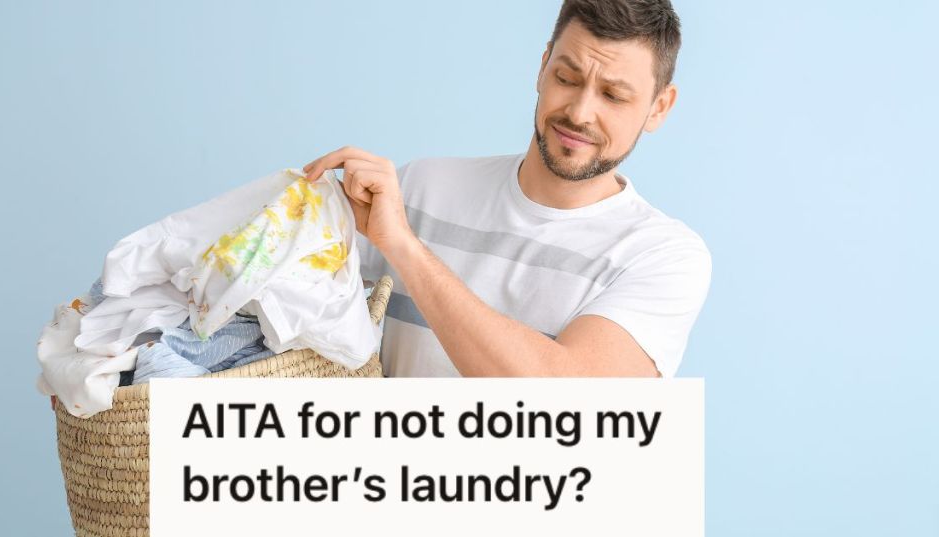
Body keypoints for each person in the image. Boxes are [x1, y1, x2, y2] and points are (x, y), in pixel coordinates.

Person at [304, 0, 710, 378]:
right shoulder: (419, 187)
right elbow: (284, 299)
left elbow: (569, 404)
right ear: (543, 66)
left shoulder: (663, 257)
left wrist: (404, 247)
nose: (580, 112)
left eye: (613, 96)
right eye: (566, 78)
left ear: (659, 107)